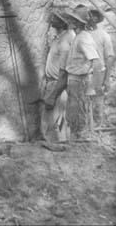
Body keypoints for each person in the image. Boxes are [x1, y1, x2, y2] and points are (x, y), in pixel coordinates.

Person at [64, 4, 100, 140]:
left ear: (80, 22)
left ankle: (82, 139)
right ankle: (76, 138)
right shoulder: (78, 37)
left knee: (79, 110)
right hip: (74, 79)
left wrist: (91, 86)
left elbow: (96, 61)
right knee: (73, 111)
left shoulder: (84, 38)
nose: (71, 22)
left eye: (74, 19)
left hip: (80, 80)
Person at [41, 11, 75, 142]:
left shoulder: (66, 41)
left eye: (56, 19)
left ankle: (57, 147)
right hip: (52, 82)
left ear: (63, 23)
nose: (52, 20)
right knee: (51, 118)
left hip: (58, 84)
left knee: (55, 119)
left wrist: (53, 94)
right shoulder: (59, 37)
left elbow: (64, 72)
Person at [89, 8, 115, 127]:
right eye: (89, 16)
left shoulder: (104, 35)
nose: (90, 18)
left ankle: (98, 128)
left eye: (93, 16)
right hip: (83, 73)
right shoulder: (82, 34)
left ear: (97, 19)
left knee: (97, 102)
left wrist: (107, 79)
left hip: (98, 73)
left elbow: (109, 57)